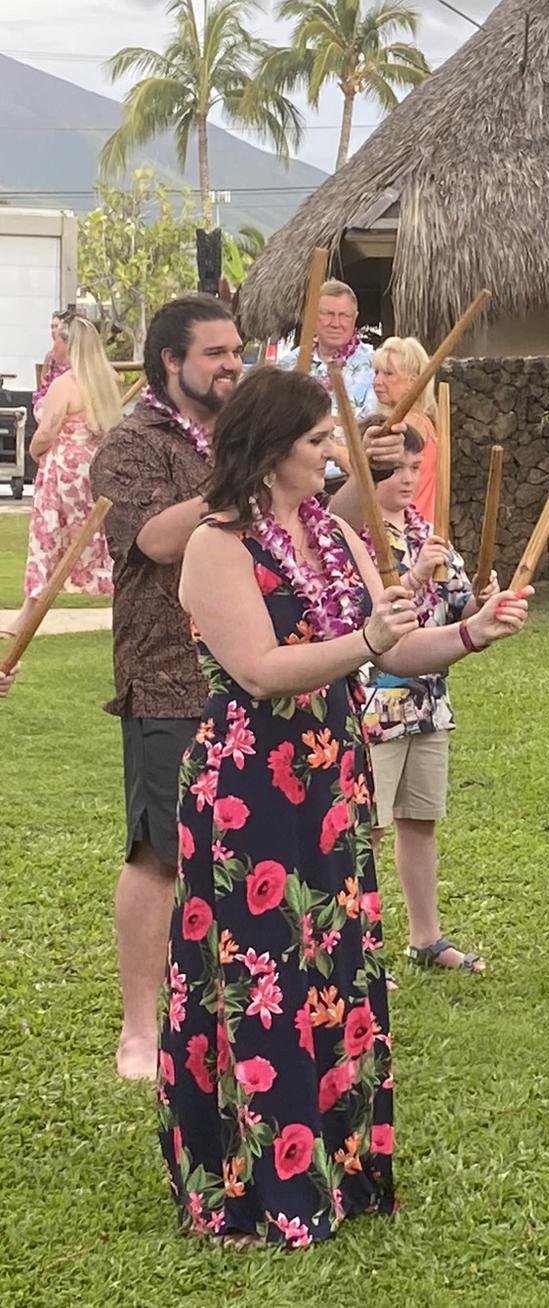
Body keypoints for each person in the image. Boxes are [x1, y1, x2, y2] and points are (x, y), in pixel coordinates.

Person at [158, 367, 530, 1247]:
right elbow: (258, 668)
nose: (336, 453)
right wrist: (366, 640)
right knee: (259, 977)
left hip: (330, 774)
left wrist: (473, 632)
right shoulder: (217, 543)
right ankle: (249, 1188)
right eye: (320, 440)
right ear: (271, 444)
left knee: (328, 968)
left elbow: (391, 647)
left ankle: (338, 1168)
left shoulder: (330, 533)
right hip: (250, 784)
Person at [91, 294, 244, 1080]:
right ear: (169, 363)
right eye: (214, 352)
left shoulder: (245, 436)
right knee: (159, 851)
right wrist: (237, 474)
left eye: (236, 350)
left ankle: (232, 1007)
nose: (231, 364)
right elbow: (152, 539)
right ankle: (140, 1030)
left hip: (251, 665)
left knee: (243, 847)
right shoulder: (129, 446)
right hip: (165, 673)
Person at [360, 419, 492, 973]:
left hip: (428, 702)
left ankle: (426, 936)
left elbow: (460, 604)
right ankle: (359, 950)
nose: (409, 477)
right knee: (363, 826)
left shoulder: (428, 533)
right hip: (376, 706)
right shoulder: (354, 534)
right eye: (397, 467)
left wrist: (484, 604)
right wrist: (413, 575)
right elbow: (374, 614)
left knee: (420, 819)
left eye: (417, 466)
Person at [11, 316, 121, 639]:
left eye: (57, 340)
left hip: (62, 471)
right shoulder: (105, 381)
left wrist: (34, 452)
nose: (53, 347)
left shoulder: (66, 385)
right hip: (93, 469)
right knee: (93, 538)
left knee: (46, 540)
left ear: (69, 345)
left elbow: (47, 431)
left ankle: (27, 615)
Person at [272, 280, 378, 480]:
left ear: (355, 318)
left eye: (344, 315)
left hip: (349, 481)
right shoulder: (289, 366)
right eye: (328, 314)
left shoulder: (374, 365)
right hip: (296, 479)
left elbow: (368, 428)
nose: (336, 323)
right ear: (312, 316)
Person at [371, 337, 439, 522]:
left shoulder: (408, 425)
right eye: (376, 372)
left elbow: (368, 471)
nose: (377, 381)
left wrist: (334, 451)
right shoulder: (424, 419)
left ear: (412, 382)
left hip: (410, 528)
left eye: (388, 374)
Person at [32, 310, 70, 413]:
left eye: (56, 326)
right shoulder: (50, 356)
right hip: (50, 397)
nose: (53, 330)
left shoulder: (74, 355)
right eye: (51, 327)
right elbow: (43, 381)